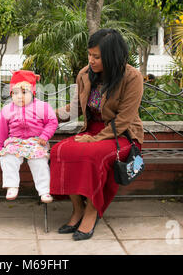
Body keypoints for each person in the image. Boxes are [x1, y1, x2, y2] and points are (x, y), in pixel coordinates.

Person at [50, 29, 144, 241]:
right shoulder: (85, 74)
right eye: (89, 55)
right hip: (91, 132)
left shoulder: (132, 77)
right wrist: (45, 115)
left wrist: (95, 139)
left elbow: (124, 119)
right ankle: (78, 209)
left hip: (121, 135)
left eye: (97, 57)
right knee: (59, 151)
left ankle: (93, 212)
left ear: (112, 56)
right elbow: (75, 109)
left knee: (92, 156)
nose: (91, 60)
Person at [0, 70, 58, 203]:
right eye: (15, 93)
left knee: (39, 161)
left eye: (24, 92)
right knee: (7, 157)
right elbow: (2, 130)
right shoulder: (7, 110)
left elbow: (52, 122)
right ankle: (12, 185)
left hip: (36, 141)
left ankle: (44, 190)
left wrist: (45, 136)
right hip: (15, 142)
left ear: (33, 93)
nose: (19, 96)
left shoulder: (42, 107)